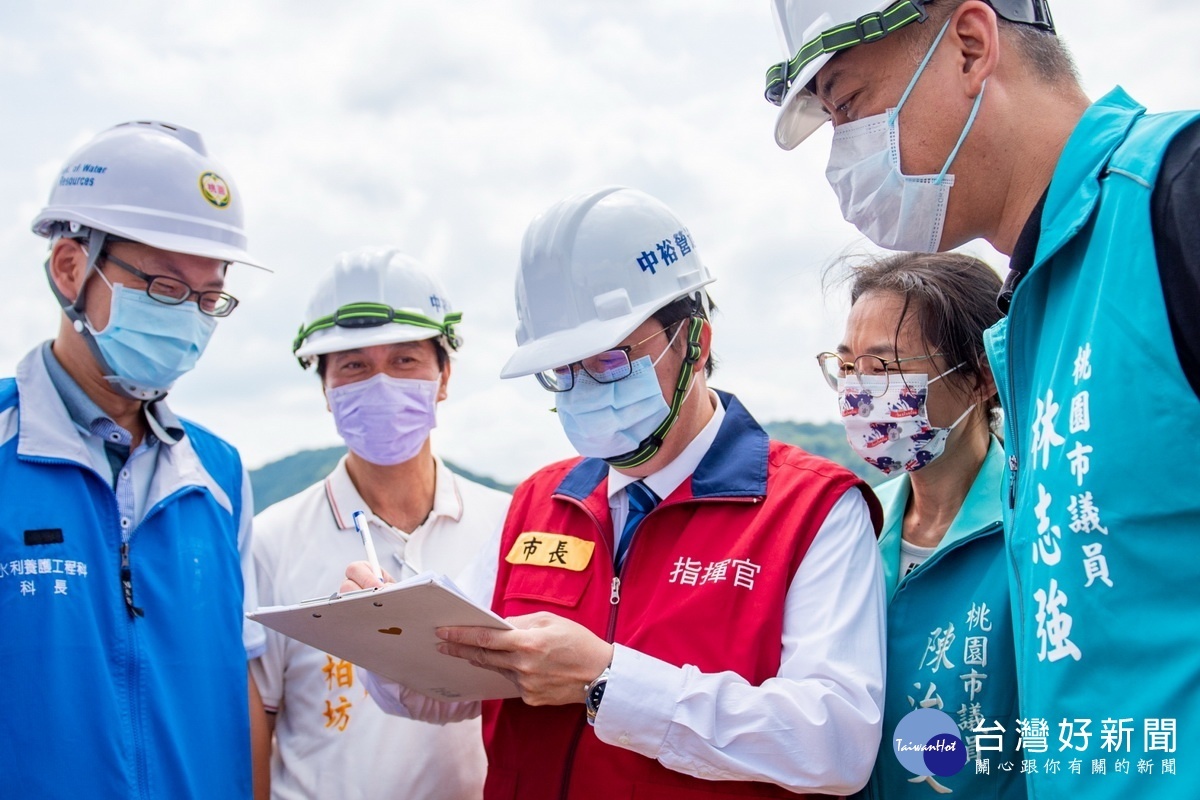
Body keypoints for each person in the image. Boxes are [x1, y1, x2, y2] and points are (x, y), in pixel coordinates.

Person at [764, 1, 1200, 796]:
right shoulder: (1041, 308)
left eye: (850, 107)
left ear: (969, 46)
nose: (842, 160)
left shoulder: (1175, 193)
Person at [345, 186, 887, 799]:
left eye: (607, 361)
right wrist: (386, 636)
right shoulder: (539, 504)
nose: (582, 389)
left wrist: (609, 681)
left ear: (695, 343)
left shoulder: (812, 511)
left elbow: (837, 742)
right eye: (563, 371)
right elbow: (447, 693)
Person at [0, 121, 269, 797]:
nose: (191, 319)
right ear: (71, 267)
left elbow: (242, 684)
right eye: (167, 289)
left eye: (210, 299)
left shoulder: (220, 476)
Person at [251, 247, 511, 800]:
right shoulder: (270, 539)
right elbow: (258, 722)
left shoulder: (508, 524)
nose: (380, 384)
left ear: (444, 376)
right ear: (325, 388)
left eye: (405, 360)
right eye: (353, 366)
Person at [820, 252, 1021, 798]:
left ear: (982, 378)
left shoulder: (1035, 529)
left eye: (884, 367)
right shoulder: (850, 523)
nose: (859, 390)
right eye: (846, 365)